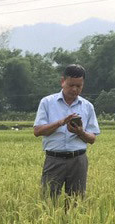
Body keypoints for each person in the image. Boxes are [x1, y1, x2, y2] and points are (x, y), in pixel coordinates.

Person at [33, 64, 100, 198]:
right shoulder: (47, 102)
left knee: (77, 202)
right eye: (71, 85)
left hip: (78, 160)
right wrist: (61, 122)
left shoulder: (87, 106)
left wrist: (80, 132)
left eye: (79, 86)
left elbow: (92, 139)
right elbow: (37, 131)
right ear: (62, 81)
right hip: (54, 159)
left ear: (83, 84)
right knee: (48, 201)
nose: (75, 89)